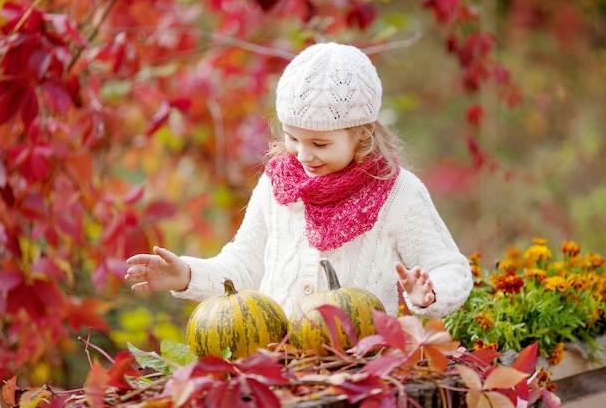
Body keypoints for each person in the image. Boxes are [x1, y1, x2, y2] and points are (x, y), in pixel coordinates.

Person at [125, 42, 472, 319]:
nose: (303, 155)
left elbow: (449, 267)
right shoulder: (277, 187)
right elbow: (243, 266)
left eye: (320, 144)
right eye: (292, 138)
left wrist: (428, 291)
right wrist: (185, 275)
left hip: (361, 369)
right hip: (282, 367)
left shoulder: (398, 193)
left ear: (362, 133)